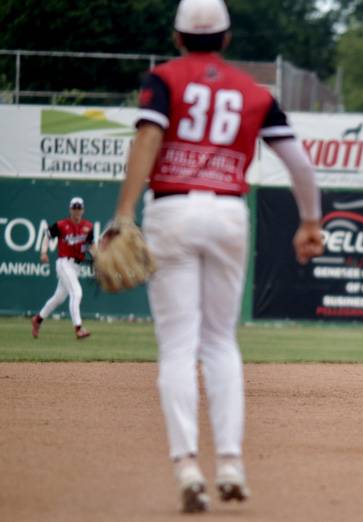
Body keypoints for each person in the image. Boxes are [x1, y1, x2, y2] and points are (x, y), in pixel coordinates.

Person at [114, 0, 323, 513]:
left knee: (179, 345)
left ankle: (187, 465)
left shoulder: (163, 79)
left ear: (177, 37)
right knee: (220, 343)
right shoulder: (254, 92)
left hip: (172, 209)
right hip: (230, 213)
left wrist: (123, 215)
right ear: (227, 39)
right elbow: (298, 161)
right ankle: (230, 462)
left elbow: (149, 136)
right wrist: (311, 222)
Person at [31, 196, 93, 340]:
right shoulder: (61, 225)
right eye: (74, 208)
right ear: (70, 209)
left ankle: (38, 319)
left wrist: (100, 258)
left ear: (83, 210)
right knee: (76, 292)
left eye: (79, 208)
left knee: (59, 297)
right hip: (64, 263)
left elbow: (91, 246)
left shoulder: (88, 227)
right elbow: (46, 236)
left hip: (76, 266)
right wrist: (43, 252)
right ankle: (78, 328)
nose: (77, 211)